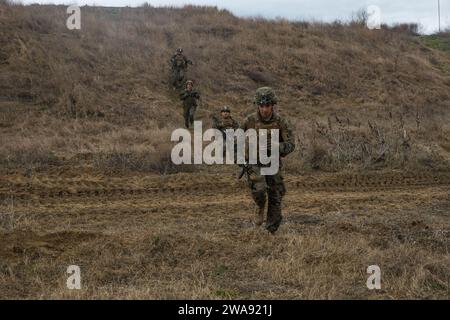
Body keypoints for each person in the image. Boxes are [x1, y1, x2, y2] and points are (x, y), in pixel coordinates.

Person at [241, 87, 295, 234]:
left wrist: (279, 146)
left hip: (273, 161)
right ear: (257, 105)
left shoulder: (280, 122)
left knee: (276, 195)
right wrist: (241, 158)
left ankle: (271, 231)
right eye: (262, 105)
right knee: (259, 190)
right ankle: (260, 206)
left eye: (268, 105)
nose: (265, 109)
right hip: (254, 161)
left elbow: (291, 144)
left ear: (273, 105)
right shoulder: (249, 121)